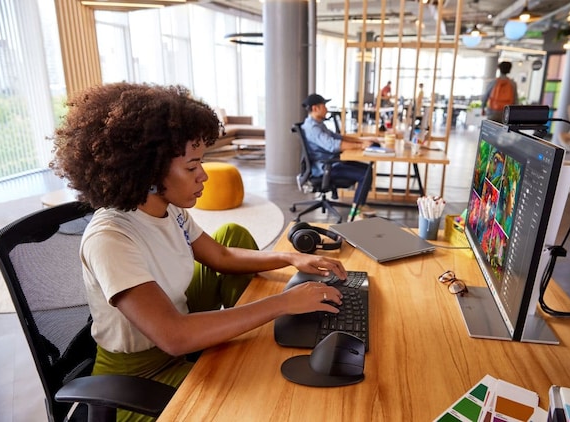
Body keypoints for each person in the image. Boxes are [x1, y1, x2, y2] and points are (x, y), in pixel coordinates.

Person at [49, 82, 347, 422]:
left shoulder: (169, 210)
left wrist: (291, 257)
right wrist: (282, 303)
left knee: (232, 233)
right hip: (138, 376)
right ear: (148, 171)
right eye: (192, 167)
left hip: (180, 326)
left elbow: (222, 256)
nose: (202, 175)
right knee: (261, 402)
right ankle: (266, 331)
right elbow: (174, 337)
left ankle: (267, 335)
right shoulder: (111, 238)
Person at [301, 93, 376, 221]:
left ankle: (360, 205)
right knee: (364, 174)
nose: (327, 109)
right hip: (326, 167)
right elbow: (333, 146)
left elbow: (337, 137)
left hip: (331, 162)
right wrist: (361, 146)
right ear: (315, 108)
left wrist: (360, 140)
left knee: (367, 169)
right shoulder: (312, 127)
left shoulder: (317, 124)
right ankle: (355, 213)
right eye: (324, 106)